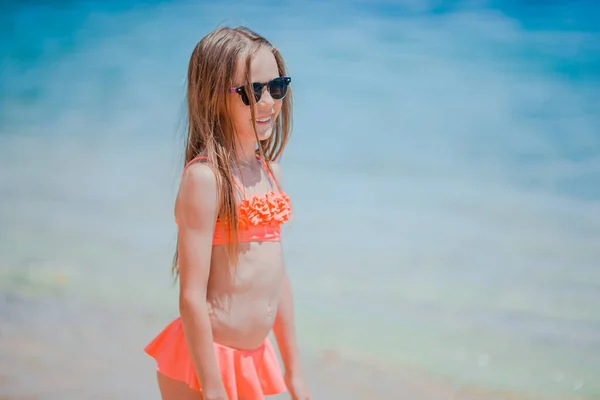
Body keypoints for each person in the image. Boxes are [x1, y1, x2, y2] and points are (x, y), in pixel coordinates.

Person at [144, 26, 310, 400]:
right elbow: (190, 296)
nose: (268, 101)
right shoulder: (205, 180)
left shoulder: (271, 173)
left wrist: (294, 371)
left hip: (253, 358)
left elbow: (277, 281)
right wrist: (213, 386)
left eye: (277, 87)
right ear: (213, 98)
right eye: (253, 92)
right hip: (205, 363)